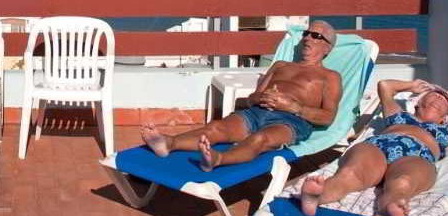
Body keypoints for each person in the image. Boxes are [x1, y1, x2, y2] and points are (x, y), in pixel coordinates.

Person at [141, 20, 342, 171]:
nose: (307, 38)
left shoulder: (330, 77)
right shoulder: (281, 65)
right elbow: (252, 97)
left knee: (260, 139)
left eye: (316, 36)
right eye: (306, 33)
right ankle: (169, 143)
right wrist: (260, 98)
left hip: (290, 121)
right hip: (257, 112)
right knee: (216, 127)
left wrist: (293, 107)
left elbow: (328, 117)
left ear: (327, 48)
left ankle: (217, 159)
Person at [300, 79, 448, 216]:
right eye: (434, 95)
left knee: (403, 182)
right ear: (418, 104)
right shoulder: (399, 115)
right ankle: (318, 195)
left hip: (417, 157)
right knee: (350, 173)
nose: (440, 98)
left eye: (445, 101)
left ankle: (392, 206)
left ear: (445, 116)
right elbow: (385, 86)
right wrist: (412, 85)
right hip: (377, 148)